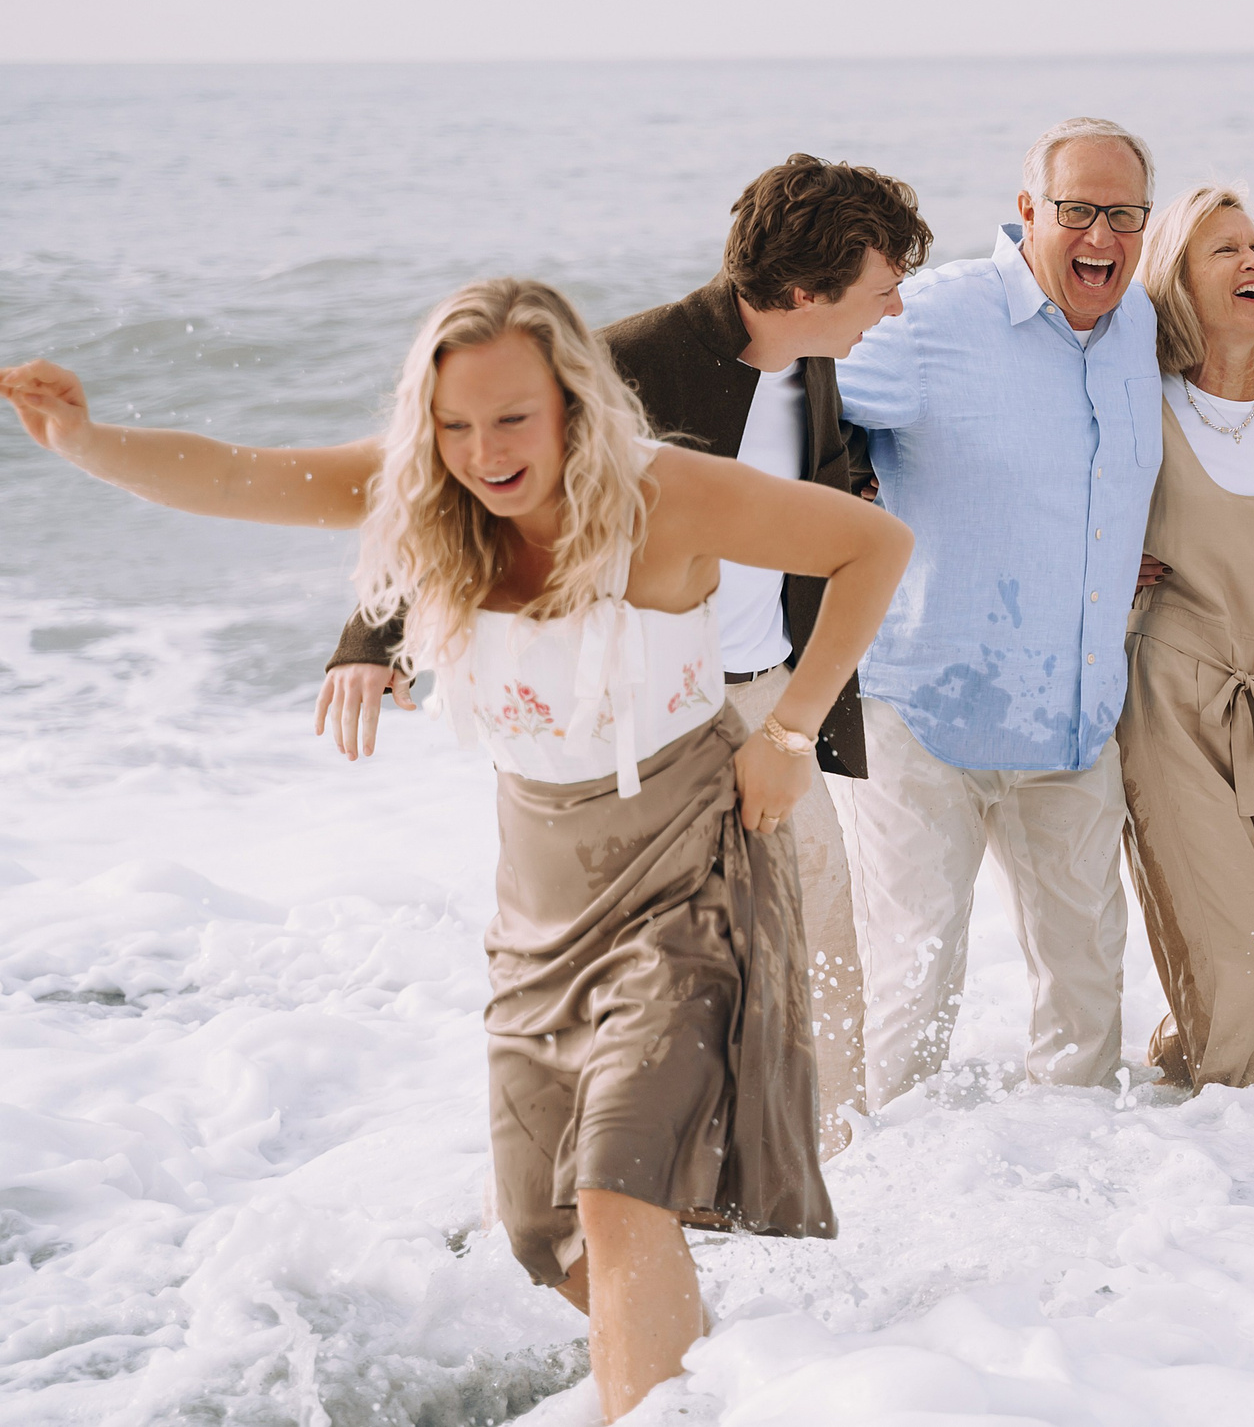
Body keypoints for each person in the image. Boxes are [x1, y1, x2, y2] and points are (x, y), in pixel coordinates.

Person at [3, 279, 913, 1421]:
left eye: (513, 417)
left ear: (572, 403)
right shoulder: (426, 504)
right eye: (455, 424)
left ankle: (657, 1392)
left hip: (688, 868)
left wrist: (788, 730)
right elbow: (235, 473)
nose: (484, 451)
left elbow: (872, 545)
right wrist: (85, 441)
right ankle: (710, 1362)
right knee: (542, 1235)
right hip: (538, 898)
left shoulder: (660, 494)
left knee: (619, 1188)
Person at [314, 154, 926, 1153]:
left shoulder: (812, 358)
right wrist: (368, 639)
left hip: (773, 697)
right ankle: (618, 1179)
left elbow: (790, 476)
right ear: (808, 293)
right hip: (650, 713)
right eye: (882, 289)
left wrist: (846, 494)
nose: (894, 311)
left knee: (822, 946)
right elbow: (452, 477)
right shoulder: (624, 366)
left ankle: (834, 1167)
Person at [834, 118, 1162, 1107]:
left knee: (1086, 996)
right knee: (914, 985)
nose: (1100, 236)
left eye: (1124, 215)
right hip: (920, 718)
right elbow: (793, 391)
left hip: (1070, 723)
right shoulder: (930, 319)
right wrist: (845, 497)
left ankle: (1069, 1211)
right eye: (1078, 212)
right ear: (1028, 212)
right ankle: (878, 1202)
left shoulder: (1139, 326)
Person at [1119, 185, 1254, 1089]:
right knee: (1240, 959)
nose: (1252, 262)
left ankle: (1184, 1118)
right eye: (1223, 250)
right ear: (1177, 279)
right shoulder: (1138, 404)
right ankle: (1242, 1182)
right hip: (1170, 696)